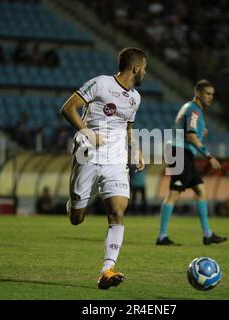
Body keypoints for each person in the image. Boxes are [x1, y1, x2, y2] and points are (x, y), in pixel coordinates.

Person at [60, 47, 146, 289]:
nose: (145, 73)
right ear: (136, 68)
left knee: (118, 211)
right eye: (145, 69)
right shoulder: (100, 83)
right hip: (87, 153)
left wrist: (135, 149)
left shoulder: (135, 98)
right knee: (77, 219)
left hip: (116, 160)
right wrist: (87, 132)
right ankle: (75, 203)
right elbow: (68, 108)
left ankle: (107, 270)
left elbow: (128, 127)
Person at [156, 79, 228, 246]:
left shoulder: (190, 108)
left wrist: (197, 133)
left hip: (184, 152)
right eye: (207, 94)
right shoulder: (194, 110)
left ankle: (207, 234)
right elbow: (190, 136)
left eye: (212, 95)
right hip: (180, 152)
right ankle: (162, 236)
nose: (210, 97)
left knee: (202, 191)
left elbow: (188, 130)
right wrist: (209, 156)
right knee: (174, 193)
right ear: (198, 93)